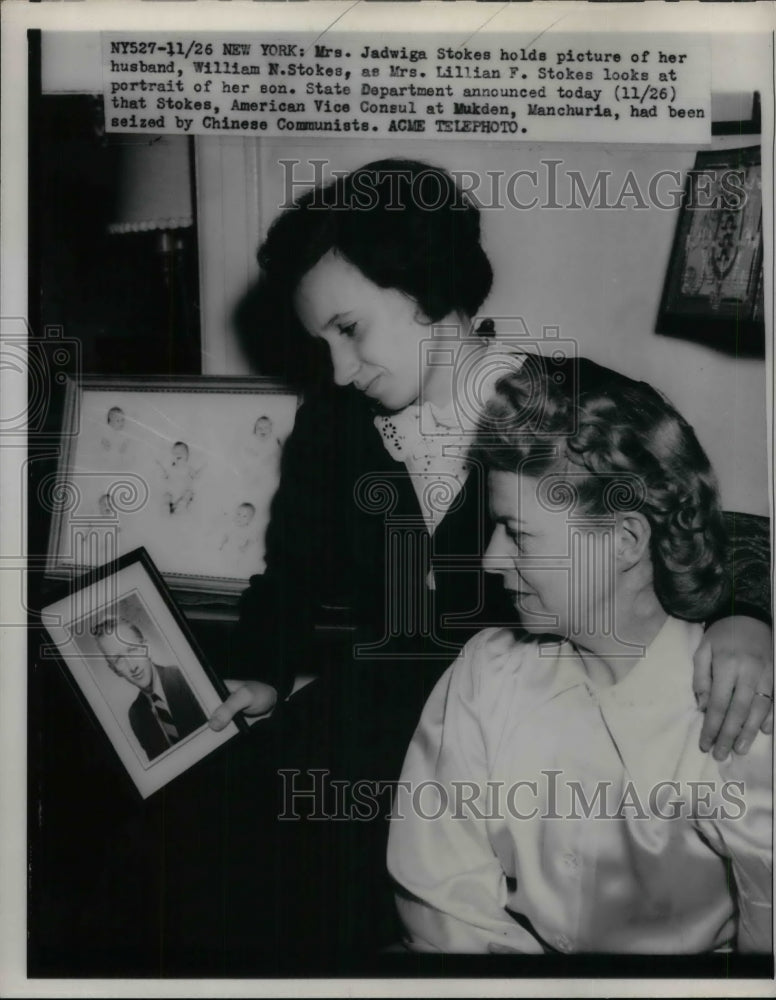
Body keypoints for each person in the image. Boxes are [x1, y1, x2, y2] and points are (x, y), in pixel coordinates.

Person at [214, 157, 772, 769]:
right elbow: (290, 575)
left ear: (424, 284)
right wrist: (260, 675)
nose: (341, 371)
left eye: (350, 329)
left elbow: (692, 536)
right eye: (323, 345)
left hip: (542, 741)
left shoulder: (574, 411)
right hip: (378, 734)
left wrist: (747, 622)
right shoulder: (332, 426)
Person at [387, 356, 772, 954]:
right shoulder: (486, 672)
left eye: (517, 533)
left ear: (623, 540)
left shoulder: (734, 706)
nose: (490, 560)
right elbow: (441, 897)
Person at [93, 617, 207, 762]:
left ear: (147, 648)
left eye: (133, 650)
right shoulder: (135, 715)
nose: (132, 666)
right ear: (114, 670)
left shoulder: (186, 678)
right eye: (119, 659)